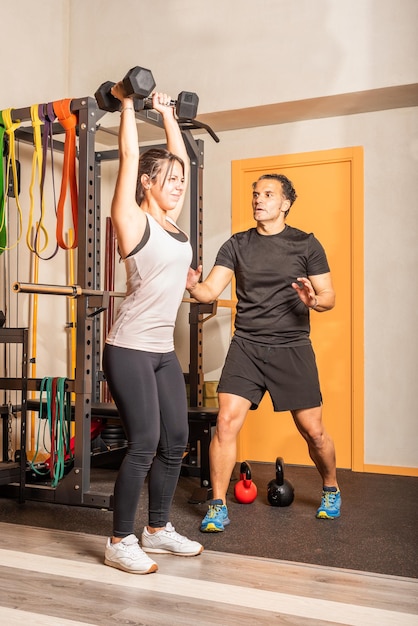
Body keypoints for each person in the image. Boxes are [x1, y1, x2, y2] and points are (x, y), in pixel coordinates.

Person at [186, 173, 341, 533]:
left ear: (286, 203)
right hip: (247, 347)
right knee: (225, 423)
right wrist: (193, 285)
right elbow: (210, 291)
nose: (259, 200)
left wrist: (314, 301)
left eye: (268, 194)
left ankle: (331, 488)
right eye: (256, 194)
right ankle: (218, 504)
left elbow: (329, 296)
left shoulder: (306, 244)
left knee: (313, 432)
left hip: (292, 347)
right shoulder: (237, 244)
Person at [102, 84, 203, 574]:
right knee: (144, 441)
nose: (178, 184)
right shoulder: (132, 218)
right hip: (129, 349)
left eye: (181, 180)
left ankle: (157, 529)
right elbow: (128, 154)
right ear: (145, 183)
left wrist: (166, 115)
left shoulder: (173, 223)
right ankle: (120, 540)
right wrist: (127, 105)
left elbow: (181, 158)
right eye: (167, 179)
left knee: (176, 439)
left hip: (162, 350)